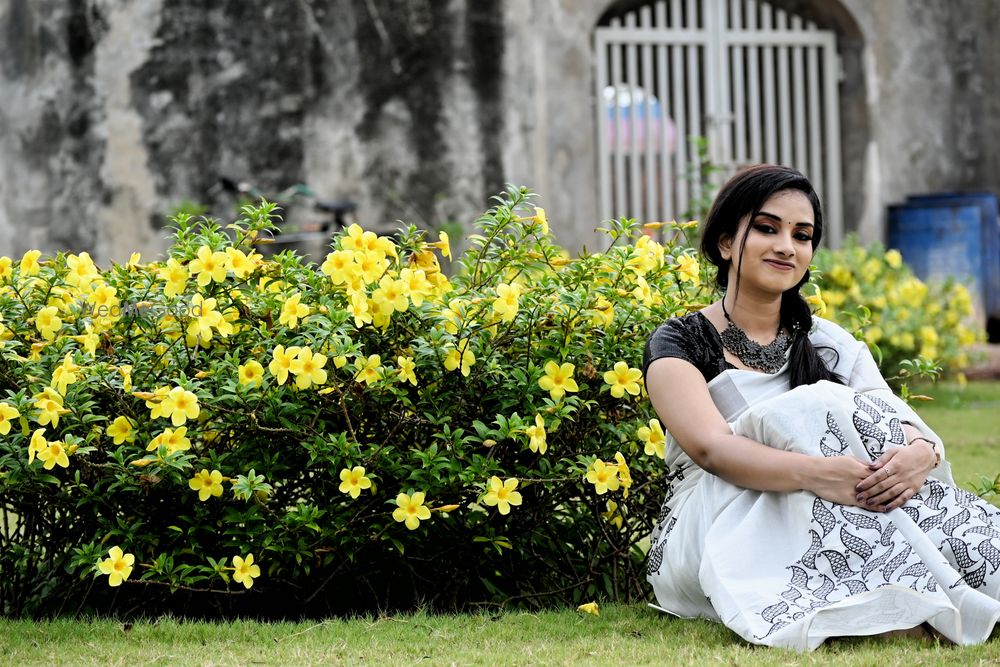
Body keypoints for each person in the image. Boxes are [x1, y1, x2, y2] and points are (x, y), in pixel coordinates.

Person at [643, 164, 1000, 650]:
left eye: (802, 235)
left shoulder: (829, 343)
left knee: (866, 440)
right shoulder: (680, 344)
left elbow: (895, 421)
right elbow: (712, 451)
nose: (786, 246)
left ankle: (909, 600)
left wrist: (919, 455)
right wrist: (817, 473)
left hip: (840, 497)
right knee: (813, 407)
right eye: (767, 228)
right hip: (713, 523)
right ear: (726, 243)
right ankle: (887, 605)